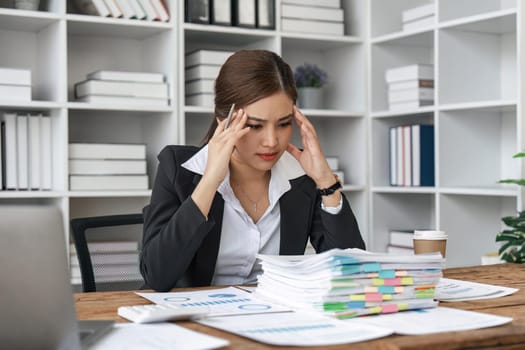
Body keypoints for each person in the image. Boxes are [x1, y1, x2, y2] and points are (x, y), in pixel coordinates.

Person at [140, 49, 365, 292]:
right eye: (255, 126)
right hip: (194, 319)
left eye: (283, 124)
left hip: (272, 319)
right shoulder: (178, 169)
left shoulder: (302, 178)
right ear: (222, 122)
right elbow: (157, 276)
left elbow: (352, 274)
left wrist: (325, 182)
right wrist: (210, 181)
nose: (271, 141)